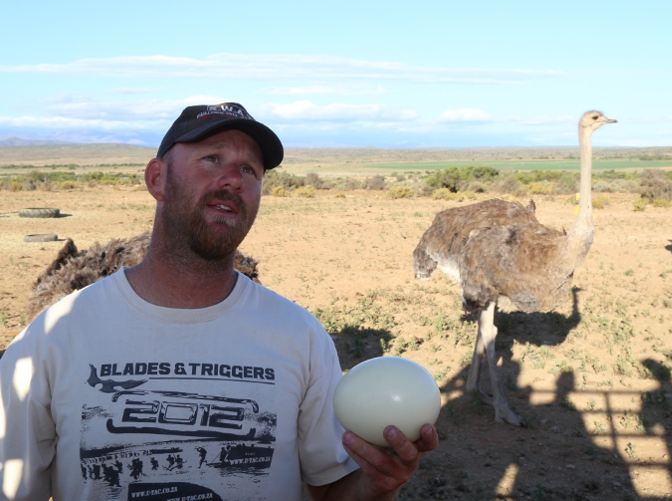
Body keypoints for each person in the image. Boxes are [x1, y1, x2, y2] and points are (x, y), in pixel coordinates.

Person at [0, 102, 438, 500]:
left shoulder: (300, 337)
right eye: (212, 159)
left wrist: (377, 485)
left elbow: (330, 492)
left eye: (250, 170)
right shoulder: (52, 339)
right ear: (157, 179)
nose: (233, 179)